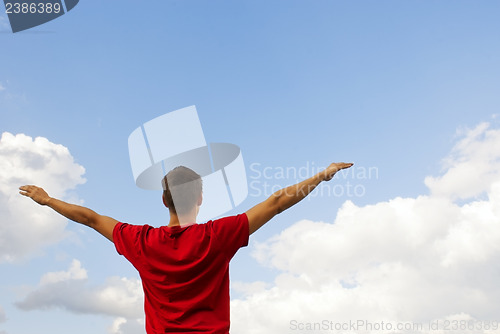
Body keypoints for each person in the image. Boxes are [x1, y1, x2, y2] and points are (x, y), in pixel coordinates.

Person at [19, 161, 353, 334]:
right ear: (200, 198)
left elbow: (90, 218)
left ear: (164, 199)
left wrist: (47, 200)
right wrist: (322, 176)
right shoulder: (218, 236)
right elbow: (277, 202)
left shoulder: (141, 241)